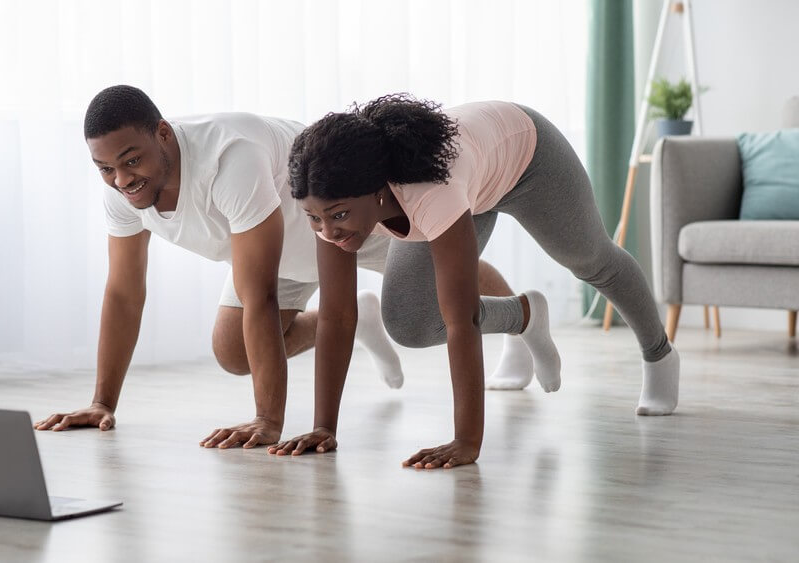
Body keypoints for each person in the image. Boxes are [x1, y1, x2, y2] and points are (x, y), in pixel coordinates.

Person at [33, 86, 535, 447]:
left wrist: (266, 420)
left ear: (162, 134)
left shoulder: (230, 156)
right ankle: (354, 323)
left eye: (131, 161)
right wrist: (103, 402)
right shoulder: (123, 193)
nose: (122, 179)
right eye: (105, 169)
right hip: (269, 252)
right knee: (232, 352)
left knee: (446, 273)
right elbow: (124, 293)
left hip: (342, 219)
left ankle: (520, 324)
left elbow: (261, 297)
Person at [271, 94, 679, 469]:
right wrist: (324, 428)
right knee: (409, 322)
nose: (328, 231)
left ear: (378, 193)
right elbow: (339, 316)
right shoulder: (330, 203)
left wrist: (466, 441)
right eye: (314, 218)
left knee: (593, 261)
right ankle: (525, 315)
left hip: (528, 159)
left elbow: (461, 320)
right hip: (471, 175)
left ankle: (659, 354)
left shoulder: (430, 193)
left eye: (339, 216)